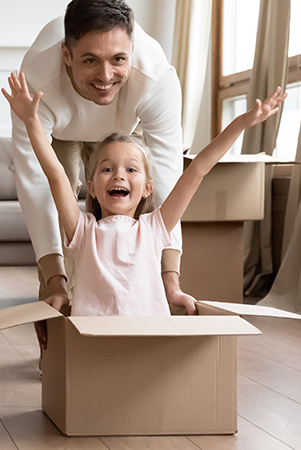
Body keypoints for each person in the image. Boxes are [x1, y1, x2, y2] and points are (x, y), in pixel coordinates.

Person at [4, 71, 286, 316]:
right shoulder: (82, 229)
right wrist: (31, 121)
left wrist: (241, 123)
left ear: (147, 188)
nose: (119, 175)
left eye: (131, 170)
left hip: (148, 340)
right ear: (90, 186)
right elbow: (55, 175)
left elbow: (198, 169)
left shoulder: (155, 227)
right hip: (92, 345)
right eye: (106, 169)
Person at [10, 0, 193, 319]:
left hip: (124, 127)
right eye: (90, 60)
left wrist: (170, 279)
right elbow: (39, 184)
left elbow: (166, 178)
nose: (105, 76)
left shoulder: (156, 79)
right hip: (59, 131)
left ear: (132, 50)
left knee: (134, 198)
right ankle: (60, 325)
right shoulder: (36, 81)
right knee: (61, 190)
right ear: (67, 54)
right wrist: (54, 281)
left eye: (118, 59)